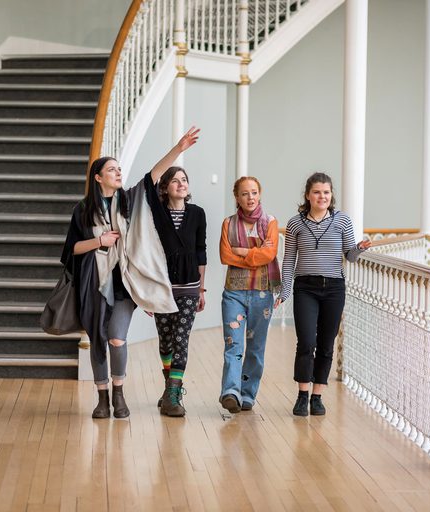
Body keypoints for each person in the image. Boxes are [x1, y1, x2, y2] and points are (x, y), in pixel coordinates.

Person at [61, 127, 200, 419]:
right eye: (112, 170)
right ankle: (102, 398)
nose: (118, 173)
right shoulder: (83, 210)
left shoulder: (129, 200)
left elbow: (154, 174)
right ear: (98, 177)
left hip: (124, 285)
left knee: (116, 337)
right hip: (93, 283)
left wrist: (178, 148)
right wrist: (99, 241)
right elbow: (72, 249)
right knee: (98, 339)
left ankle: (119, 394)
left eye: (119, 169)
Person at [274, 172, 371, 417]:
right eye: (317, 192)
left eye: (326, 192)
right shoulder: (295, 223)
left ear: (331, 195)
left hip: (334, 289)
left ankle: (317, 396)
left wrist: (359, 248)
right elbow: (288, 261)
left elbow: (349, 255)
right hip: (305, 287)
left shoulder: (342, 221)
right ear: (308, 195)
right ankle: (302, 395)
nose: (322, 196)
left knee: (327, 344)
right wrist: (285, 291)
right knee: (307, 342)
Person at [145, 166, 207, 417]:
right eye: (175, 181)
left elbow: (201, 251)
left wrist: (202, 288)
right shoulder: (156, 214)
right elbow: (148, 255)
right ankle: (168, 386)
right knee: (166, 342)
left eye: (184, 179)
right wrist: (147, 293)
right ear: (165, 188)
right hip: (161, 289)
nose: (181, 184)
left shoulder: (198, 214)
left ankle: (173, 394)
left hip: (190, 288)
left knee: (181, 339)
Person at [218, 177, 280, 413]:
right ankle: (230, 392)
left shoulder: (270, 222)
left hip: (262, 294)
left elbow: (270, 254)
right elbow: (226, 256)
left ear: (260, 194)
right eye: (245, 194)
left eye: (254, 193)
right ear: (237, 197)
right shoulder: (228, 223)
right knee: (233, 344)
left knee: (256, 348)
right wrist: (257, 254)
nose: (250, 198)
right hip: (234, 293)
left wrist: (244, 252)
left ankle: (247, 394)